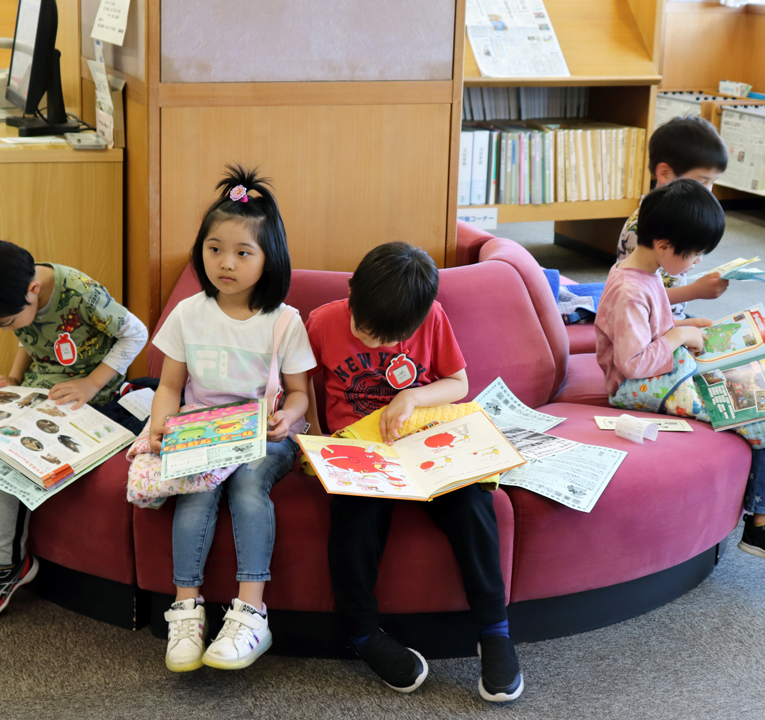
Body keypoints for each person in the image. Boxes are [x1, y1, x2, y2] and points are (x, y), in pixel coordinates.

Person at [305, 242, 523, 703]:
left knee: (473, 504)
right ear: (351, 292)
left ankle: (494, 630)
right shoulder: (323, 322)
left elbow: (459, 383)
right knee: (354, 521)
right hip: (362, 454)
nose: (376, 344)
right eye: (365, 331)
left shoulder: (433, 316)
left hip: (423, 445)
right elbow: (303, 383)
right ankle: (363, 633)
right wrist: (318, 441)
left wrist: (412, 397)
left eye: (388, 339)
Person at [595, 180, 765, 566]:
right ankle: (764, 522)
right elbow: (633, 363)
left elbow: (648, 331)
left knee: (757, 376)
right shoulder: (631, 289)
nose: (697, 262)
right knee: (761, 416)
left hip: (663, 371)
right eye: (695, 253)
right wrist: (679, 334)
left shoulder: (642, 274)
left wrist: (686, 327)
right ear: (664, 246)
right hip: (638, 387)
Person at [148, 166, 315, 672]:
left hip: (264, 434)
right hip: (202, 429)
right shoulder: (187, 313)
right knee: (197, 492)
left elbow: (302, 394)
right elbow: (170, 386)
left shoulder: (284, 321)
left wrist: (288, 417)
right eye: (214, 249)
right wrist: (160, 425)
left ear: (269, 259)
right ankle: (186, 612)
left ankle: (250, 614)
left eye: (243, 253)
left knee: (247, 487)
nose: (226, 263)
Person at [0, 239, 148, 622]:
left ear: (33, 291)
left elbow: (135, 333)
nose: (9, 329)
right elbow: (29, 336)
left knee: (8, 451)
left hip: (88, 401)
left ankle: (6, 564)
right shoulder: (18, 288)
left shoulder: (83, 294)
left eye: (6, 322)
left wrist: (91, 383)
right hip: (35, 392)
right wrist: (12, 377)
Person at [616, 116, 732, 319]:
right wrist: (695, 291)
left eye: (713, 182)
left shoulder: (674, 217)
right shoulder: (643, 228)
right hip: (648, 322)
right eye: (702, 180)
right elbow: (636, 295)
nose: (709, 191)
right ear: (665, 173)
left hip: (669, 317)